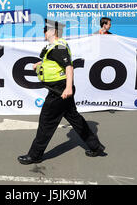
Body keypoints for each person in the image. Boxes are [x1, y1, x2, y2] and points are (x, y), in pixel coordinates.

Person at [17, 19, 105, 165]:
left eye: (45, 31)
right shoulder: (57, 45)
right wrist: (39, 64)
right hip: (61, 89)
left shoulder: (58, 48)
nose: (43, 33)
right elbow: (55, 63)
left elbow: (69, 67)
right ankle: (96, 147)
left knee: (46, 122)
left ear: (52, 32)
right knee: (75, 119)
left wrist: (68, 88)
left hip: (59, 91)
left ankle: (35, 155)